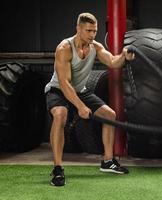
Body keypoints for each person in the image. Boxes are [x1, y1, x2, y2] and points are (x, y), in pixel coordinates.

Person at [45, 12, 135, 186]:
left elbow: (113, 62)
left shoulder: (95, 46)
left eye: (95, 31)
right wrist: (80, 107)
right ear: (78, 29)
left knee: (109, 115)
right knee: (60, 115)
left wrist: (124, 56)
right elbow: (64, 83)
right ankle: (57, 168)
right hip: (58, 90)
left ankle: (108, 161)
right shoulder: (64, 48)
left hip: (80, 90)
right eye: (88, 31)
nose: (93, 35)